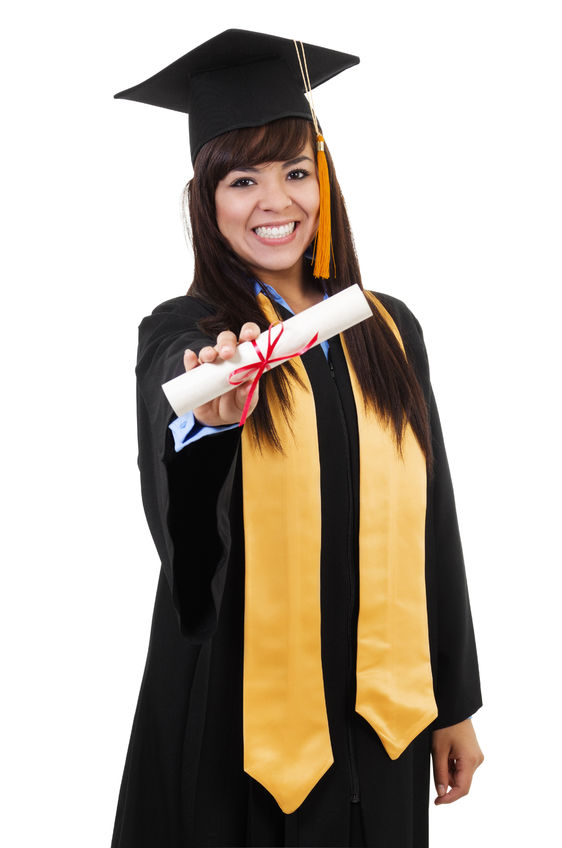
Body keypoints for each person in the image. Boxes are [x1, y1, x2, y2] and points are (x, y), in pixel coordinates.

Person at [112, 29, 484, 848]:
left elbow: (434, 519)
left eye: (294, 171)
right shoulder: (188, 332)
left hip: (379, 711)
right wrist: (209, 424)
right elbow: (181, 520)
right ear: (206, 200)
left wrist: (453, 700)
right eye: (241, 179)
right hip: (236, 713)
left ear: (324, 182)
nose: (274, 202)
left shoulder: (385, 326)